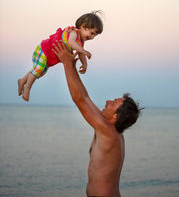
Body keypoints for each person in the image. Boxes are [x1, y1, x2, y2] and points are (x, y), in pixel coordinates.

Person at [52, 40, 142, 197]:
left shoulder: (107, 130)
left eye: (113, 103)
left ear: (115, 116)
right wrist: (72, 67)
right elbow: (85, 97)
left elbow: (78, 100)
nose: (107, 102)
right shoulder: (111, 129)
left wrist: (66, 64)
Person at [18, 11, 103, 102]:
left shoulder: (80, 42)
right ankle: (27, 88)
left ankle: (22, 80)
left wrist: (84, 64)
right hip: (44, 49)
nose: (92, 37)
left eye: (95, 35)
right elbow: (71, 42)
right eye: (92, 33)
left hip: (49, 55)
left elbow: (80, 53)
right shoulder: (74, 32)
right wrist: (84, 51)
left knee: (40, 71)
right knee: (38, 69)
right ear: (83, 26)